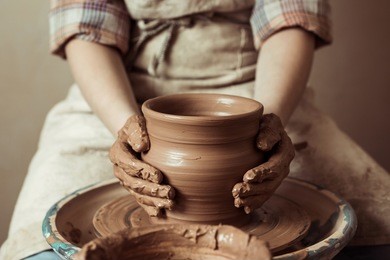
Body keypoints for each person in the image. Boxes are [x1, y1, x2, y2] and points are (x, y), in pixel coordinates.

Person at [1, 0, 389, 259]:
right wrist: (126, 128)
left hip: (259, 91)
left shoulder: (266, 110)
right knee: (40, 247)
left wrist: (266, 125)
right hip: (115, 96)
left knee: (376, 226)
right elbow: (87, 26)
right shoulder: (119, 112)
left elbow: (289, 16)